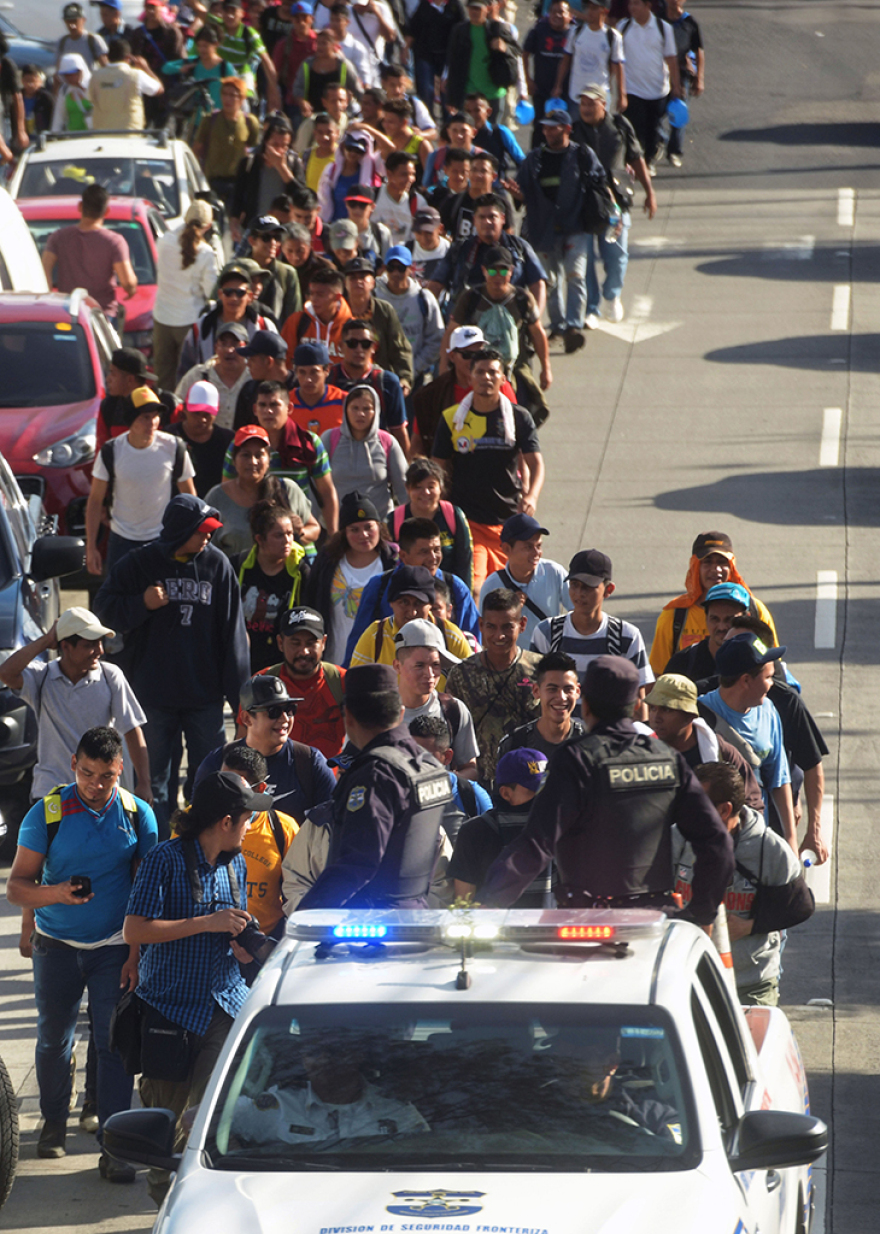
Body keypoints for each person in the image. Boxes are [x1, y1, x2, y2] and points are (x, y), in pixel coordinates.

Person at [6, 726, 157, 1174]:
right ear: (73, 765)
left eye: (107, 776)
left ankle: (114, 1145)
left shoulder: (137, 814)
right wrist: (55, 895)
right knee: (54, 1039)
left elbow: (148, 890)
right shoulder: (47, 813)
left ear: (120, 771)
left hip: (114, 946)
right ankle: (53, 1122)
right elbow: (16, 888)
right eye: (88, 773)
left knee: (113, 1043)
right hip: (56, 946)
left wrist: (134, 952)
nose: (96, 785)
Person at [477, 655, 734, 914]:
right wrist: (700, 911)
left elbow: (536, 844)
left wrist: (487, 903)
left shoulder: (576, 759)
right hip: (653, 921)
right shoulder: (667, 758)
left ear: (585, 705)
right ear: (636, 706)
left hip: (586, 922)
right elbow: (715, 841)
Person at [123, 770, 270, 1207]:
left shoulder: (237, 862)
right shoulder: (163, 860)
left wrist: (241, 947)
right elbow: (134, 928)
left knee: (212, 1129)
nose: (250, 827)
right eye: (246, 819)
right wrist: (206, 923)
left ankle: (204, 1211)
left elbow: (231, 924)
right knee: (164, 1133)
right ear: (225, 821)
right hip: (169, 1013)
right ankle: (167, 1212)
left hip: (224, 1010)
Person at [94, 495, 251, 836]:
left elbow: (234, 640)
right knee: (154, 785)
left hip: (204, 699)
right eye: (202, 531)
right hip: (151, 698)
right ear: (181, 531)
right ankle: (159, 850)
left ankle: (201, 846)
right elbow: (103, 609)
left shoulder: (218, 566)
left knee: (208, 779)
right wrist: (141, 604)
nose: (208, 537)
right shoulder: (139, 563)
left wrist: (242, 707)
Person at [295, 663, 453, 909]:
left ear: (348, 717)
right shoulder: (428, 766)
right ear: (400, 713)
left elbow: (357, 863)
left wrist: (305, 918)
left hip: (368, 927)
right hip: (417, 918)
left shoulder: (376, 774)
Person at [674, 762, 813, 1005]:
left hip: (751, 984)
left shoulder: (769, 848)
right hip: (688, 978)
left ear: (724, 810)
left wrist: (750, 926)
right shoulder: (676, 838)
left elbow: (800, 905)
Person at [0, 606, 150, 803]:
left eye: (100, 643)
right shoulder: (43, 676)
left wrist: (144, 783)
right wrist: (45, 641)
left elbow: (132, 729)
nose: (100, 650)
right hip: (51, 792)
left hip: (100, 793)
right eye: (90, 644)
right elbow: (6, 673)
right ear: (66, 647)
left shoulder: (110, 676)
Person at [432, 350, 545, 592]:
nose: (487, 377)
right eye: (480, 371)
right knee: (476, 587)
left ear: (503, 378)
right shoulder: (452, 418)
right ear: (470, 377)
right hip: (468, 520)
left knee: (511, 593)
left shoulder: (518, 418)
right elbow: (437, 468)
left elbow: (536, 464)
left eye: (493, 372)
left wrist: (531, 496)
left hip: (508, 523)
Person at [516, 106, 610, 354]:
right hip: (542, 230)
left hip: (576, 227)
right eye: (544, 127)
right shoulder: (533, 159)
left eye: (552, 126)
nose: (546, 131)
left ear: (567, 129)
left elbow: (600, 181)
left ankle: (573, 327)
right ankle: (557, 326)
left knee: (575, 276)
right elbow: (522, 189)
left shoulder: (582, 155)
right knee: (550, 281)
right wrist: (519, 194)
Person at [232, 1028, 429, 1142]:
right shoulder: (280, 1105)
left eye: (335, 1052)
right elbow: (210, 1123)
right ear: (303, 1059)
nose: (324, 1060)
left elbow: (427, 1154)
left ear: (358, 1056)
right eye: (314, 1053)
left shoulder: (396, 1111)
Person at [699, 632, 797, 854]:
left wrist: (790, 840)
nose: (772, 684)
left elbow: (779, 780)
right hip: (710, 842)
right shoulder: (699, 717)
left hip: (754, 840)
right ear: (745, 681)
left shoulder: (768, 710)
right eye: (768, 677)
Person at [85, 387, 197, 576]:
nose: (152, 422)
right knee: (120, 602)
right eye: (145, 417)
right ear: (130, 420)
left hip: (162, 540)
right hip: (121, 541)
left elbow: (190, 497)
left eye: (155, 416)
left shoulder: (174, 447)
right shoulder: (111, 451)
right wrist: (91, 548)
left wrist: (188, 539)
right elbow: (95, 500)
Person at [195, 673, 335, 821]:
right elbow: (198, 822)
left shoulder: (309, 762)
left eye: (289, 709)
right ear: (247, 718)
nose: (285, 718)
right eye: (273, 711)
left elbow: (334, 822)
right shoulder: (218, 762)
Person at [571, 82, 655, 328]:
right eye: (582, 103)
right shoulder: (573, 130)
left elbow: (636, 157)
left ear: (603, 104)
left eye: (591, 103)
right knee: (584, 261)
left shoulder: (619, 125)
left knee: (617, 256)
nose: (585, 108)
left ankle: (612, 295)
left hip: (615, 204)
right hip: (584, 205)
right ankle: (592, 308)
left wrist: (650, 192)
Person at [444, 588, 541, 786]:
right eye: (491, 627)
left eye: (507, 627)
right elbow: (451, 735)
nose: (499, 635)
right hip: (479, 786)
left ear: (522, 625)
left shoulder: (540, 671)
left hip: (530, 783)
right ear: (480, 625)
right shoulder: (461, 675)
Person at [530, 550, 653, 706]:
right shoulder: (547, 632)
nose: (579, 593)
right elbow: (533, 690)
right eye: (574, 585)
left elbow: (638, 698)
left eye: (587, 587)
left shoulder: (627, 637)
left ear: (608, 590)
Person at [648, 530, 778, 677]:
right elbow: (658, 674)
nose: (715, 570)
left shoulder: (756, 611)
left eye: (722, 562)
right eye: (707, 562)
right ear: (695, 566)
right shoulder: (674, 615)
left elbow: (772, 666)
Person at [345, 514, 480, 655]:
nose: (433, 558)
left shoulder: (455, 588)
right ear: (403, 556)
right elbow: (357, 643)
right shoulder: (379, 586)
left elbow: (473, 642)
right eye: (424, 552)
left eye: (437, 550)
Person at [644, 672, 765, 813]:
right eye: (652, 708)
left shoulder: (720, 752)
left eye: (666, 709)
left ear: (689, 716)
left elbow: (752, 804)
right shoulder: (640, 751)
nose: (656, 717)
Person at [305, 491, 398, 662]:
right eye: (354, 529)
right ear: (344, 533)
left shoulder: (394, 562)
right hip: (333, 660)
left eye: (368, 527)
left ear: (379, 526)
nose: (363, 535)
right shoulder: (328, 561)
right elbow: (311, 601)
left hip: (380, 661)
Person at [449, 747, 548, 903]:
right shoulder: (475, 833)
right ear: (506, 793)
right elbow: (464, 904)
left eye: (548, 788)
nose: (544, 796)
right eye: (534, 790)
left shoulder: (562, 828)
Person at [220, 743, 297, 938]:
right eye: (222, 781)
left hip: (265, 944)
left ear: (261, 788)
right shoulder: (196, 819)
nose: (224, 791)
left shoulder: (283, 828)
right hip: (206, 946)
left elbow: (299, 890)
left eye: (235, 785)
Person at [207, 423, 317, 558]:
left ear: (269, 460)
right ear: (234, 460)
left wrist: (295, 534)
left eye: (259, 455)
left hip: (284, 575)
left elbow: (314, 529)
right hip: (234, 576)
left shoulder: (287, 490)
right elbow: (205, 542)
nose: (253, 461)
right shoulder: (217, 496)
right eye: (245, 455)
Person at [251, 606, 347, 758]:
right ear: (280, 643)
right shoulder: (260, 683)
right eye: (295, 643)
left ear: (323, 643)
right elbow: (243, 743)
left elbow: (363, 740)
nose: (304, 651)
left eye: (311, 643)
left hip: (332, 779)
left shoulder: (342, 682)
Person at [350, 564, 471, 679]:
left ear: (430, 605)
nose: (412, 612)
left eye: (419, 603)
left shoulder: (451, 636)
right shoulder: (374, 637)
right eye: (404, 602)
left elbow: (472, 683)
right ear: (391, 603)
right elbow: (356, 686)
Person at [428, 191, 546, 308]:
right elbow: (436, 284)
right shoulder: (460, 249)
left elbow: (538, 283)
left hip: (511, 318)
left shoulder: (519, 247)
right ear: (474, 220)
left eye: (492, 217)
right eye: (482, 217)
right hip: (467, 319)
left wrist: (534, 317)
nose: (487, 222)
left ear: (502, 218)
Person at [42, 183, 137, 325]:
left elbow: (44, 271)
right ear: (106, 211)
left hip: (69, 312)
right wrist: (131, 290)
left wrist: (51, 297)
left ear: (80, 206)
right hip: (102, 314)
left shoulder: (58, 237)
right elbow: (127, 282)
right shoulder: (114, 241)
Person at [394, 618, 479, 776]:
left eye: (436, 665)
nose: (430, 674)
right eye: (419, 666)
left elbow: (470, 768)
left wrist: (444, 782)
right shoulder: (377, 714)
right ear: (397, 666)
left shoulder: (453, 710)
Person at [152, 201, 221, 392]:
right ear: (207, 226)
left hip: (162, 318)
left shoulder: (164, 241)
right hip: (189, 322)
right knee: (189, 379)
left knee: (163, 378)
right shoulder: (206, 253)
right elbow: (210, 291)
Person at [235, 501, 310, 671]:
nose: (287, 541)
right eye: (279, 535)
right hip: (242, 660)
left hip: (281, 665)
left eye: (290, 534)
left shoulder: (301, 572)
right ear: (259, 539)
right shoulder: (238, 566)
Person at [177, 263, 280, 382]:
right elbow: (185, 370)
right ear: (220, 294)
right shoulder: (200, 328)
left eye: (240, 293)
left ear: (250, 296)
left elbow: (277, 368)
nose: (234, 298)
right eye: (228, 292)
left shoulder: (265, 327)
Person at [322, 384, 408, 519]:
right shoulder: (329, 439)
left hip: (379, 524)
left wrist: (404, 523)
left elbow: (404, 488)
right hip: (336, 525)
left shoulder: (387, 442)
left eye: (367, 409)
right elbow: (316, 486)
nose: (360, 414)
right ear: (345, 410)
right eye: (355, 408)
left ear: (376, 411)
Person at [480, 514, 567, 646]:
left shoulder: (554, 572)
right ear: (506, 549)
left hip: (548, 660)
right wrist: (509, 611)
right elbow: (486, 635)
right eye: (528, 547)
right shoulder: (492, 585)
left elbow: (578, 611)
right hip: (513, 662)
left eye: (539, 546)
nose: (536, 552)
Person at [616, 0, 680, 171]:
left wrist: (676, 85)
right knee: (635, 127)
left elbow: (671, 58)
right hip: (632, 88)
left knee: (653, 128)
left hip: (657, 89)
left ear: (648, 6)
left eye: (636, 4)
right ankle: (635, 162)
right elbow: (616, 59)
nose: (632, 8)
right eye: (630, 4)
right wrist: (619, 89)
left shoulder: (663, 28)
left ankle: (649, 160)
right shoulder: (623, 26)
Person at [390, 458, 473, 589]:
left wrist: (462, 598)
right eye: (418, 487)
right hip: (408, 592)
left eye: (431, 486)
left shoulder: (453, 515)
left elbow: (465, 562)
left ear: (441, 487)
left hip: (446, 594)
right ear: (407, 488)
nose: (425, 493)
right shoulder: (394, 520)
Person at [328, 319, 410, 446]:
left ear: (374, 348)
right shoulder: (328, 379)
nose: (359, 349)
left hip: (377, 455)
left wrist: (406, 465)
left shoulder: (387, 382)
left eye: (366, 344)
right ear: (340, 346)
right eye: (352, 343)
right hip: (337, 453)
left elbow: (399, 431)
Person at [342, 255, 416, 393]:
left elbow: (400, 347)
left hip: (378, 382)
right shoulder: (337, 310)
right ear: (345, 283)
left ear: (373, 282)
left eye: (363, 277)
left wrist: (404, 378)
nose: (358, 281)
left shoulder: (384, 310)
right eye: (352, 278)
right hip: (344, 380)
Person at [497, 650, 586, 761]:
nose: (561, 697)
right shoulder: (515, 745)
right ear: (536, 691)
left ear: (578, 692)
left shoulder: (591, 744)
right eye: (552, 689)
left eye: (568, 689)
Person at [375, 246, 444, 383]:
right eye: (391, 267)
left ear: (410, 269)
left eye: (401, 268)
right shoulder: (375, 295)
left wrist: (413, 368)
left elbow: (436, 339)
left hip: (414, 378)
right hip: (379, 376)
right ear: (384, 268)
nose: (396, 273)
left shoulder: (424, 298)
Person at [231, 115, 306, 239]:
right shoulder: (249, 163)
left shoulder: (293, 164)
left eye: (284, 146)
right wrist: (234, 225)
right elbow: (237, 198)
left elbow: (301, 197)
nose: (279, 150)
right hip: (254, 230)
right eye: (275, 145)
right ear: (266, 142)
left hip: (283, 233)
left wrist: (282, 168)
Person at [193, 76, 261, 208]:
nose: (228, 99)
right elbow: (196, 149)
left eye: (233, 95)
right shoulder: (209, 120)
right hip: (212, 182)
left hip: (237, 183)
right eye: (224, 94)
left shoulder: (250, 122)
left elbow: (254, 151)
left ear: (242, 99)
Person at [445, 0, 520, 116]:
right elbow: (453, 63)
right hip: (468, 91)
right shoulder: (459, 31)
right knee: (470, 131)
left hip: (493, 91)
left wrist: (504, 47)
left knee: (492, 131)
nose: (474, 12)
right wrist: (451, 98)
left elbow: (516, 51)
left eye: (478, 9)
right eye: (471, 8)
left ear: (487, 9)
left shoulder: (497, 28)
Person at [176, 321, 253, 431]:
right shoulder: (198, 374)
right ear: (216, 347)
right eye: (224, 344)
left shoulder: (254, 378)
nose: (229, 350)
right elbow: (178, 406)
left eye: (235, 344)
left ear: (246, 347)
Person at [161, 23, 235, 131]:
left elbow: (235, 90)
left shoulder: (224, 67)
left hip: (218, 121)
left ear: (216, 44)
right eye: (199, 46)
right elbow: (166, 68)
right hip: (195, 121)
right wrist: (180, 69)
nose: (202, 49)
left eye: (205, 46)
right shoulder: (194, 62)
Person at [167, 382, 235, 499]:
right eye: (196, 413)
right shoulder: (170, 436)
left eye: (207, 414)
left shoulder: (228, 440)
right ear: (184, 409)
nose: (202, 419)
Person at [554, 0, 624, 113]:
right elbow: (566, 60)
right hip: (576, 95)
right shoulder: (576, 32)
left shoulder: (613, 37)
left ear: (604, 11)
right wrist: (558, 85)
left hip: (600, 97)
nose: (590, 12)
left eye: (594, 8)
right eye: (588, 8)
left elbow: (617, 66)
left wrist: (622, 95)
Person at [217, 0, 282, 110]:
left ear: (242, 13)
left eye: (233, 11)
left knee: (244, 105)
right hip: (219, 74)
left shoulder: (250, 33)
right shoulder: (217, 27)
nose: (230, 16)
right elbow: (198, 9)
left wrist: (274, 90)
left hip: (241, 75)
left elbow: (266, 61)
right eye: (226, 11)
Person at [281, 264, 353, 364]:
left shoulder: (352, 328)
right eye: (312, 293)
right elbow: (285, 360)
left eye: (320, 294)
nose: (313, 299)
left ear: (337, 297)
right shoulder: (296, 322)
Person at [87, 36, 163, 130]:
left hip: (102, 132)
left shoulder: (95, 76)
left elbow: (89, 98)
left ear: (108, 56)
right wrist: (145, 68)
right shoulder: (135, 75)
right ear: (128, 57)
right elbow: (159, 90)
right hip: (130, 132)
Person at [436, 152, 515, 241]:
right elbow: (440, 231)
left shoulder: (502, 205)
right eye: (474, 170)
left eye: (483, 171)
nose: (477, 175)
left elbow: (509, 238)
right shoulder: (453, 202)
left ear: (494, 176)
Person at [129, 0, 184, 125]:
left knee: (164, 131)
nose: (151, 11)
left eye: (154, 7)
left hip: (167, 91)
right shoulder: (137, 34)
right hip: (143, 91)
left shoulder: (172, 33)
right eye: (148, 7)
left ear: (162, 8)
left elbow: (180, 60)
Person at [406, 0, 466, 113]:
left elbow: (464, 27)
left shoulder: (454, 5)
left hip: (448, 56)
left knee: (448, 91)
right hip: (425, 54)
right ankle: (427, 119)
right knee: (426, 89)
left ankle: (449, 123)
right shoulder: (425, 5)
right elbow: (413, 29)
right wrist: (405, 49)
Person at [523, 0, 571, 142]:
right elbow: (525, 54)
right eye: (553, 11)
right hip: (541, 89)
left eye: (561, 12)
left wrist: (559, 86)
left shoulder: (574, 33)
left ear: (569, 15)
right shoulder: (539, 30)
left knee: (563, 127)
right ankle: (536, 158)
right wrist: (528, 80)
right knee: (540, 126)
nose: (557, 15)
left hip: (565, 91)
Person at [664, 0, 703, 167]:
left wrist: (698, 77)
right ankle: (658, 141)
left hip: (682, 73)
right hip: (659, 73)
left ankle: (674, 151)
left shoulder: (689, 22)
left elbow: (698, 51)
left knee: (679, 112)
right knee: (656, 113)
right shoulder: (658, 21)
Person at [290, 25, 361, 116]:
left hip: (339, 116)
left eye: (324, 43)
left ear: (333, 45)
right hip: (313, 117)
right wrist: (302, 102)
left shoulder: (343, 65)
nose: (320, 47)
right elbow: (297, 88)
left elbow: (357, 90)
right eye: (318, 43)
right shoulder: (307, 64)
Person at [96, 346, 158, 448]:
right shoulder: (108, 407)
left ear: (130, 379)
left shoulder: (168, 405)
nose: (108, 379)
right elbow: (101, 451)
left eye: (113, 373)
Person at [461, 90, 525, 175]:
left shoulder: (500, 132)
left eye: (477, 110)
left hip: (496, 184)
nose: (472, 115)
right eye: (468, 111)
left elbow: (522, 161)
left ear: (488, 112)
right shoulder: (459, 135)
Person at [406, 206, 450, 288]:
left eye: (428, 233)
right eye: (418, 232)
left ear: (440, 228)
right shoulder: (406, 250)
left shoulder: (449, 250)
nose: (423, 238)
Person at [51, 52, 93, 131]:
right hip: (72, 137)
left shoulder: (94, 85)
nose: (69, 78)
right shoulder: (64, 90)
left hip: (94, 136)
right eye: (66, 74)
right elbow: (59, 117)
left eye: (72, 73)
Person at [20, 63, 55, 139]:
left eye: (33, 81)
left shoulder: (46, 98)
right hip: (23, 137)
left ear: (39, 81)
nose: (30, 85)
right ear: (22, 81)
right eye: (27, 81)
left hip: (42, 136)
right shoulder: (18, 97)